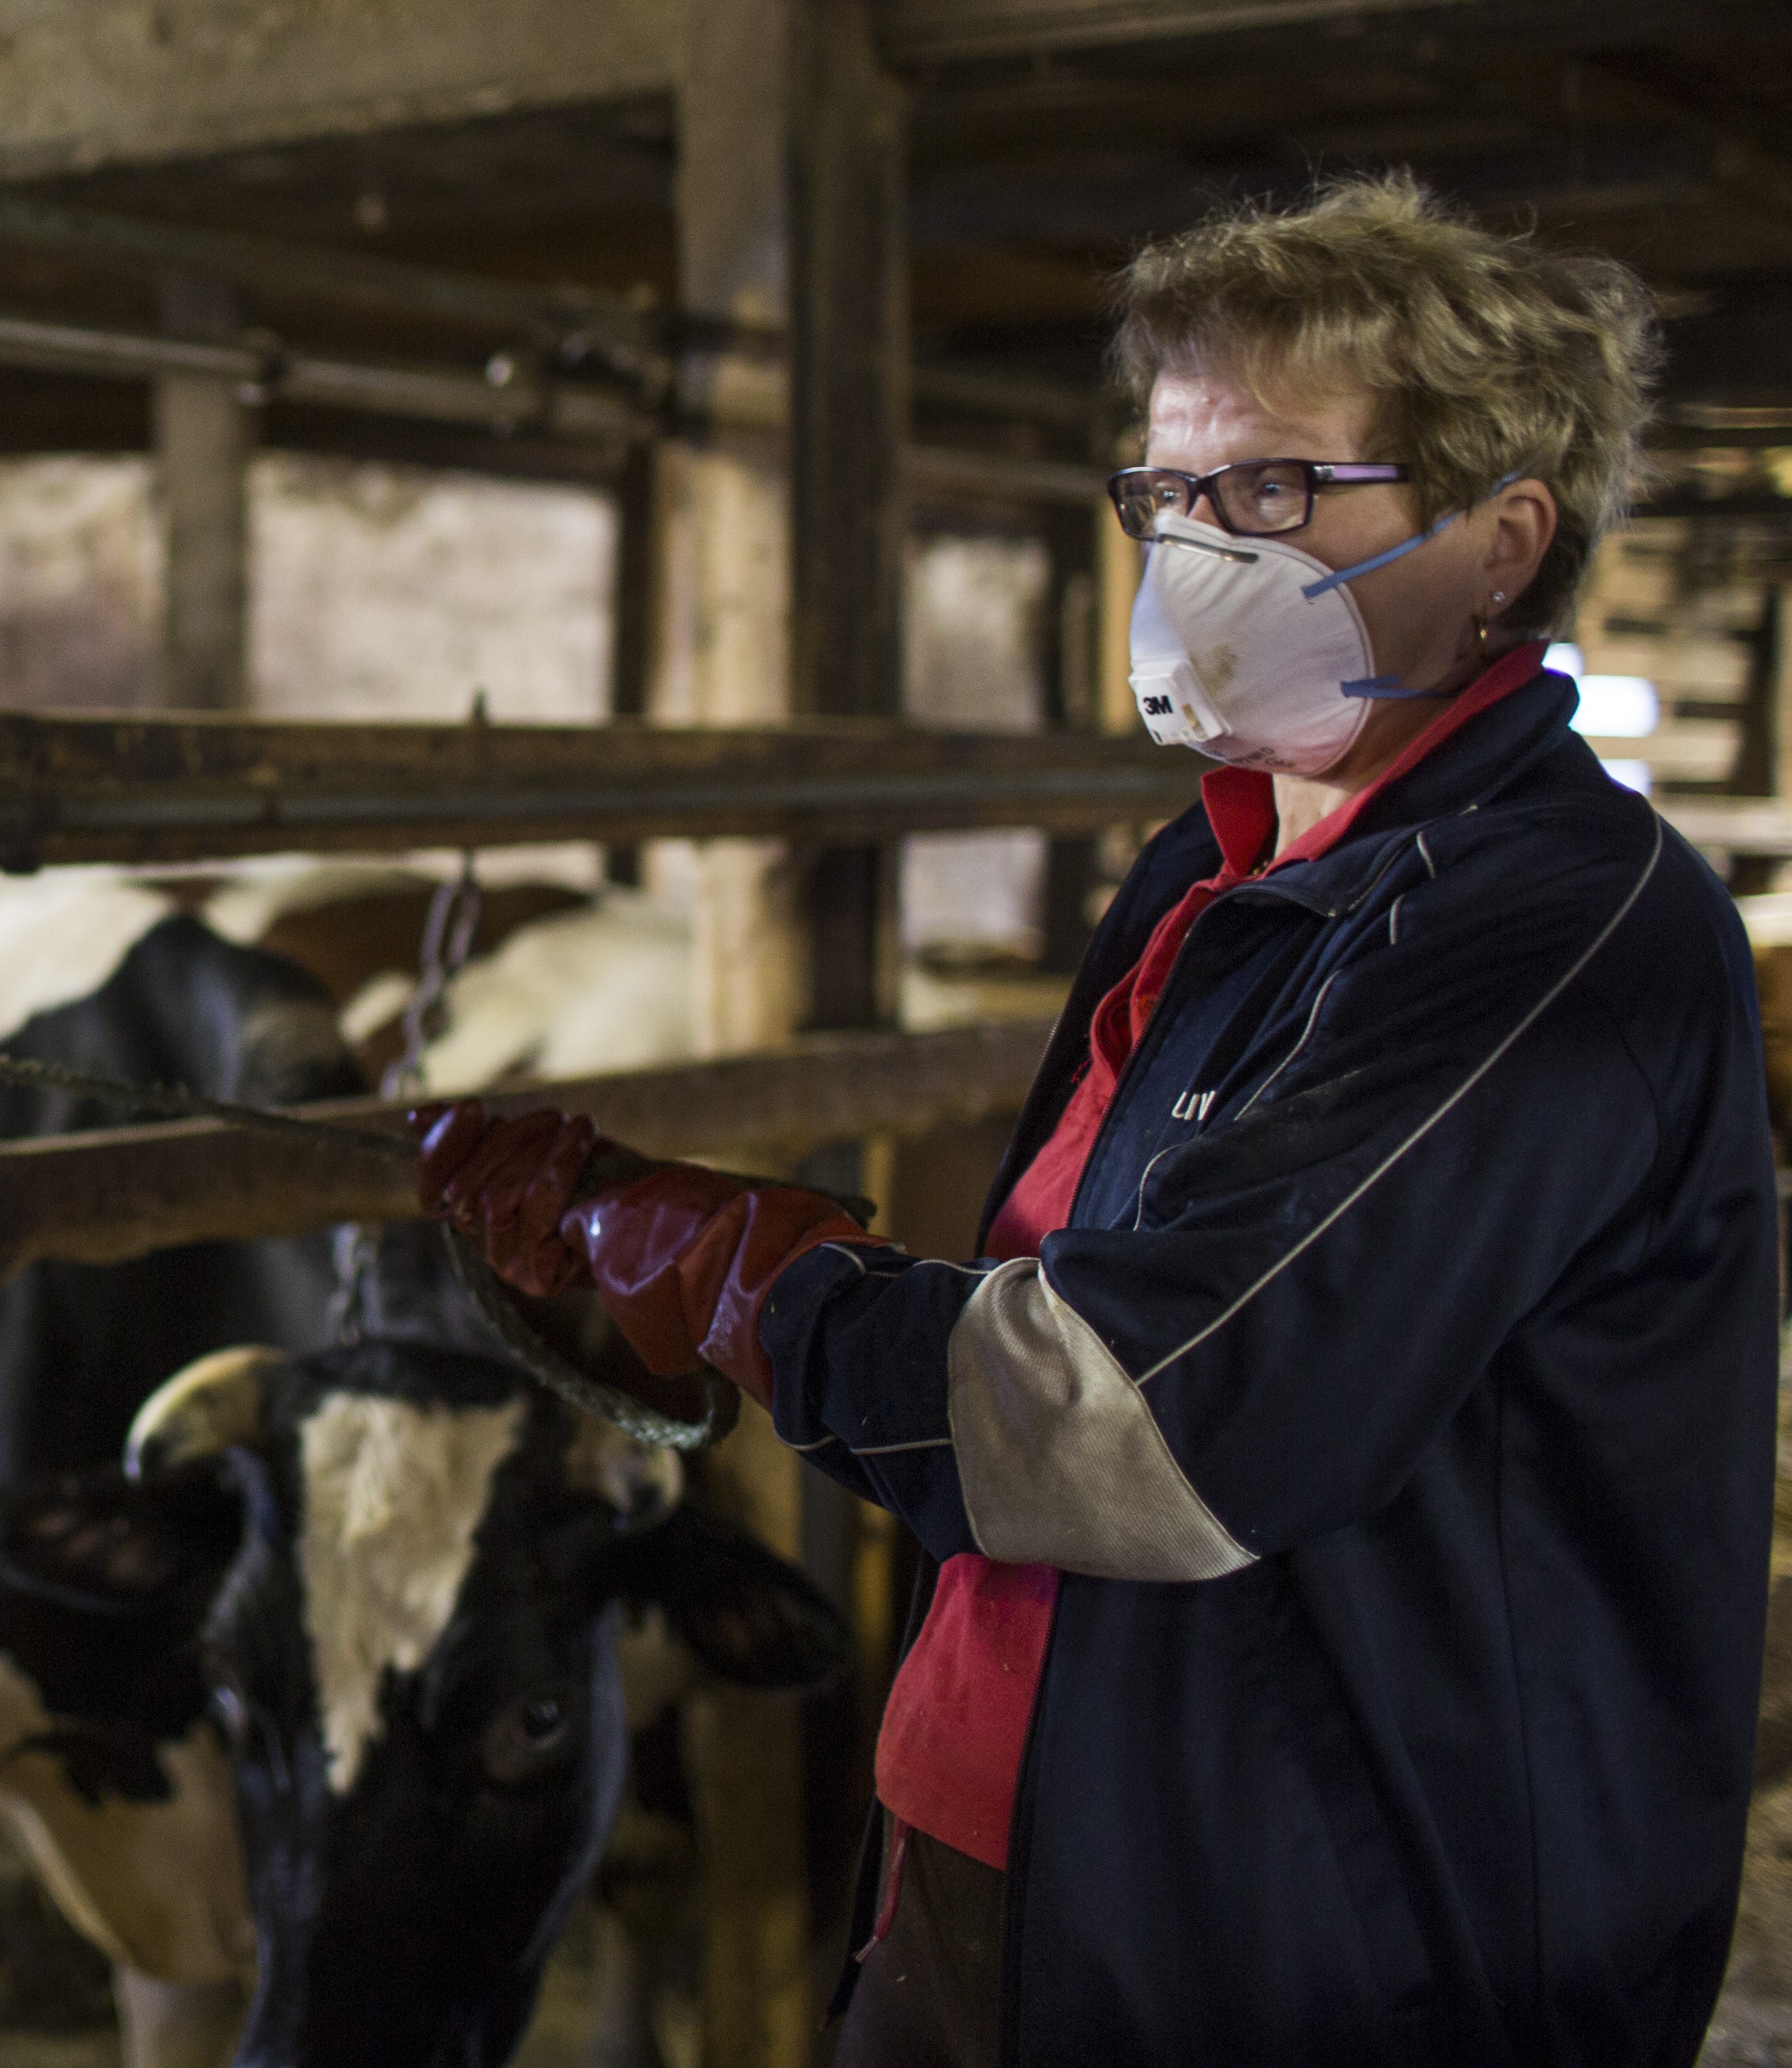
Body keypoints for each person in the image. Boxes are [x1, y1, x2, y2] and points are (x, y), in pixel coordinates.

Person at [418, 178, 1773, 2068]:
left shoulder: (1547, 928)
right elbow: (1070, 1296)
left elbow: (1148, 1422)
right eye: (1168, 490)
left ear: (1500, 547)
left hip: (1326, 1936)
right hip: (1038, 1825)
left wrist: (749, 1278)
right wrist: (635, 1251)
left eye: (1276, 492)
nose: (1198, 548)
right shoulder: (1211, 874)